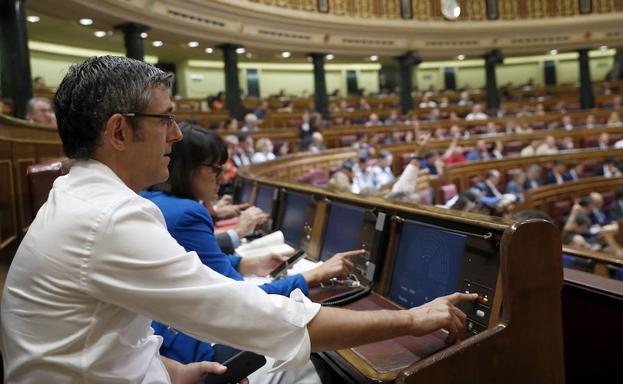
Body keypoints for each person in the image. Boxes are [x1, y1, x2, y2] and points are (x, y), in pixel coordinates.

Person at [1, 56, 476, 383]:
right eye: (165, 119)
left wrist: (165, 370)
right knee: (315, 369)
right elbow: (242, 315)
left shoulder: (76, 196)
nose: (174, 134)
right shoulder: (108, 216)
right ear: (120, 131)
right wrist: (412, 319)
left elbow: (104, 335)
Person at [142, 125, 361, 382]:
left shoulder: (152, 199)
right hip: (194, 356)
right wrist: (312, 276)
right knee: (307, 361)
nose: (222, 178)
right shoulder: (188, 212)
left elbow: (193, 265)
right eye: (215, 169)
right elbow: (244, 302)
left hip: (168, 344)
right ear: (187, 168)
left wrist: (245, 263)